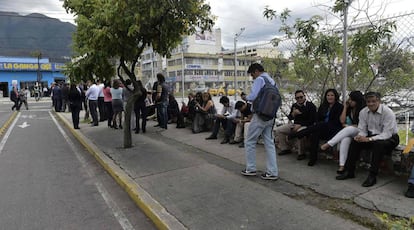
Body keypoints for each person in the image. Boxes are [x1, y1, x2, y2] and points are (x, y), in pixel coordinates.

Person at [336, 92, 399, 187]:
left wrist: (369, 139)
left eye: (374, 101)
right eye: (368, 101)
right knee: (355, 142)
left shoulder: (388, 113)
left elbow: (387, 134)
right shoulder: (363, 112)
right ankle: (349, 171)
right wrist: (361, 136)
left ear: (379, 101)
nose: (371, 104)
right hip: (371, 135)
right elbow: (362, 129)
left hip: (389, 138)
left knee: (378, 145)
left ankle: (372, 176)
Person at [241, 63, 279, 180]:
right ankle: (272, 172)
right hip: (270, 116)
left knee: (250, 141)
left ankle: (251, 168)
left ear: (256, 71)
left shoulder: (260, 79)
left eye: (252, 74)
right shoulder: (271, 80)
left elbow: (252, 96)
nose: (252, 77)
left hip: (260, 116)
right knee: (269, 143)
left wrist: (245, 97)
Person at [289, 89, 344, 166]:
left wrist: (322, 124)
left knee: (322, 124)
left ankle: (299, 133)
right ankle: (313, 158)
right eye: (328, 95)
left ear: (335, 97)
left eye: (332, 95)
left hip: (333, 129)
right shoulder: (323, 106)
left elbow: (336, 122)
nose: (330, 97)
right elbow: (317, 118)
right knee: (315, 133)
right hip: (322, 129)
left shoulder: (340, 107)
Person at [320, 91, 366, 174]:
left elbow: (363, 126)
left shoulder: (363, 110)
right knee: (345, 139)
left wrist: (350, 126)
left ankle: (329, 144)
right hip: (352, 131)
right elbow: (342, 121)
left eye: (351, 100)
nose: (349, 101)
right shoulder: (350, 109)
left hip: (362, 132)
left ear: (357, 101)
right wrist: (345, 107)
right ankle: (342, 165)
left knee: (349, 129)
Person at [274, 90, 317, 160]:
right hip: (295, 124)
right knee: (279, 130)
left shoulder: (311, 106)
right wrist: (293, 114)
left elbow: (312, 120)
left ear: (304, 96)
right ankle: (285, 148)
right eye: (297, 98)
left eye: (301, 97)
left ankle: (301, 153)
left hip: (306, 125)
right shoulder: (295, 105)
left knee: (300, 132)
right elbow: (290, 117)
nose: (299, 99)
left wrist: (300, 122)